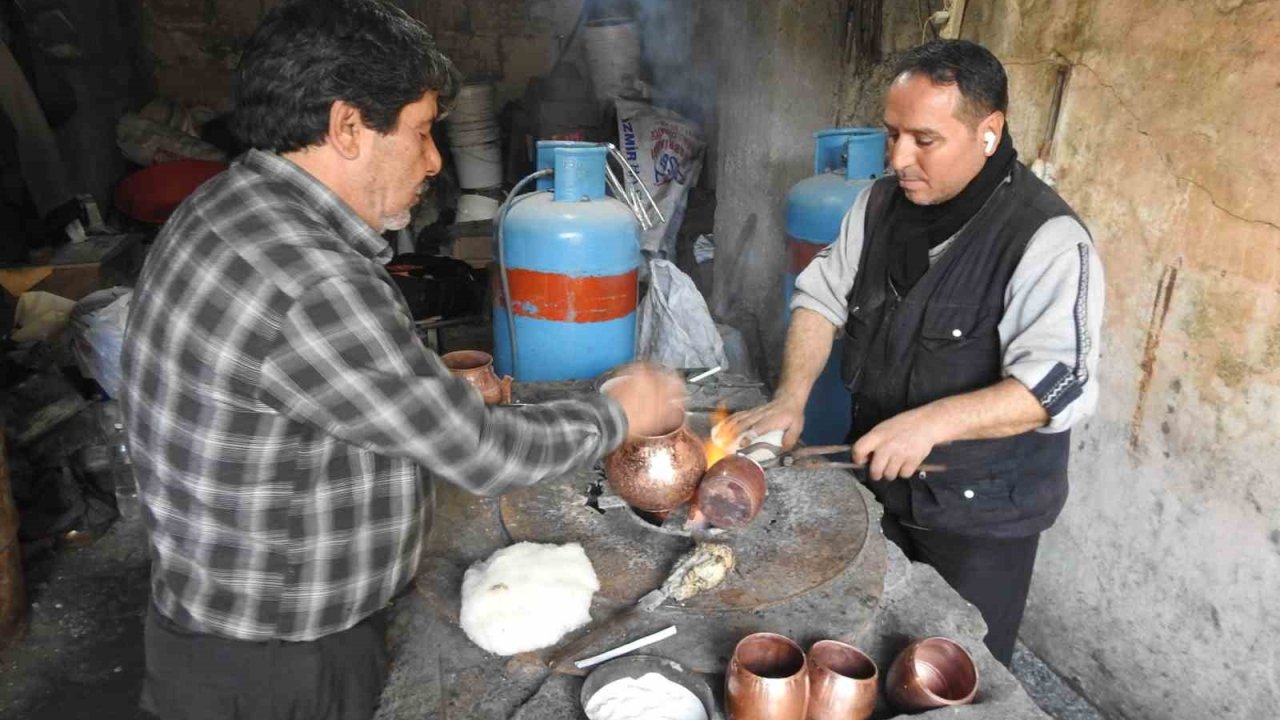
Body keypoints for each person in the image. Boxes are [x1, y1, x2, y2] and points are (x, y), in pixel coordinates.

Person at [118, 2, 684, 718]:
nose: (435, 159)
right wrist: (617, 412)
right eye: (420, 132)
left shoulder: (226, 206)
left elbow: (314, 386)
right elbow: (479, 453)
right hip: (277, 664)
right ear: (347, 126)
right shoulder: (313, 278)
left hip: (216, 623)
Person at [723, 39, 1104, 666]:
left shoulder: (1047, 239)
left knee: (950, 674)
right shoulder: (878, 205)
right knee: (863, 653)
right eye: (892, 133)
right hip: (878, 488)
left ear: (988, 132)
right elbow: (820, 298)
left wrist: (930, 423)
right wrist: (790, 399)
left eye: (923, 140)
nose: (899, 158)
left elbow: (1058, 386)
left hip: (979, 517)